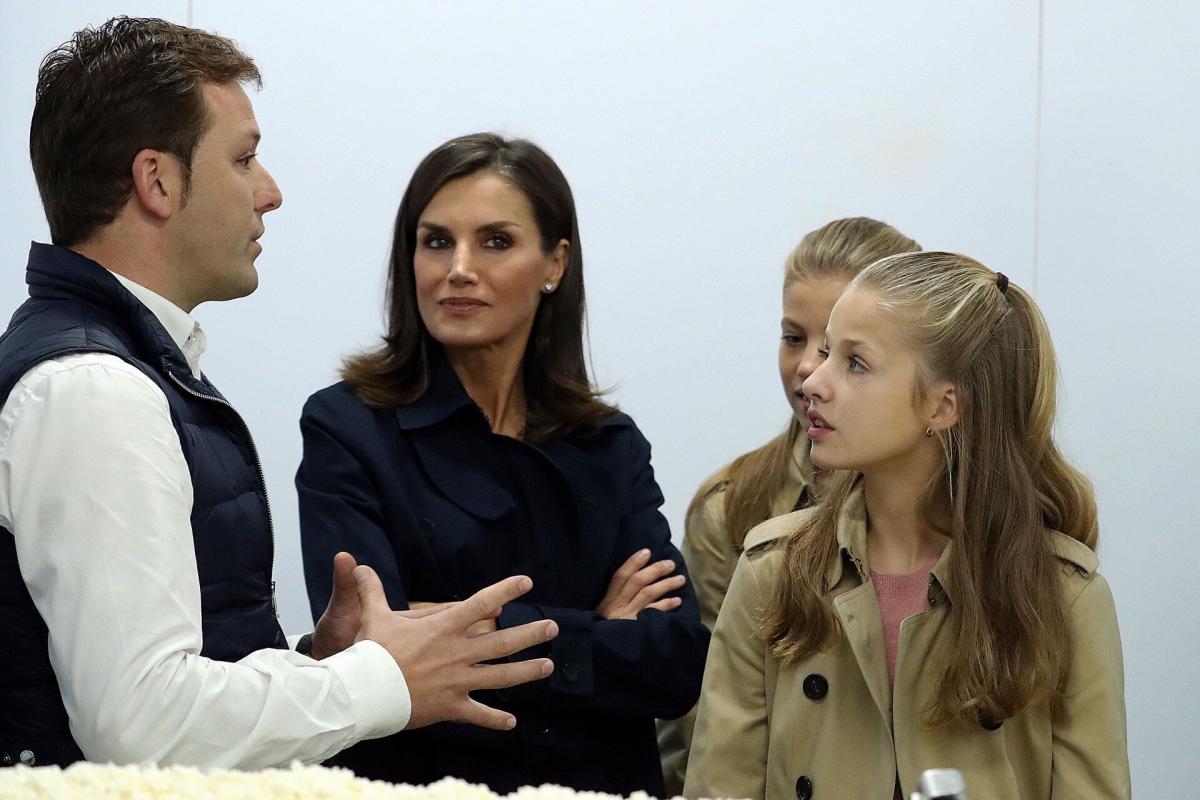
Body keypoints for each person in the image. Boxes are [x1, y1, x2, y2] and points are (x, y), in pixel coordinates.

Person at [0, 17, 557, 771]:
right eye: (244, 158)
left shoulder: (124, 371)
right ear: (157, 181)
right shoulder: (93, 391)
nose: (271, 193)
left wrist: (317, 664)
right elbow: (141, 722)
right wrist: (377, 680)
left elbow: (170, 687)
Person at [296, 133, 710, 796]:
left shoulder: (610, 444)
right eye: (436, 241)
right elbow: (378, 652)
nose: (459, 268)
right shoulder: (347, 427)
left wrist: (479, 627)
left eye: (495, 241)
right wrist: (596, 632)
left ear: (555, 263)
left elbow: (675, 665)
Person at [684, 253, 1129, 799]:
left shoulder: (1064, 597)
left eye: (855, 364)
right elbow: (719, 787)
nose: (813, 381)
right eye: (824, 352)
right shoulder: (772, 571)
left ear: (943, 406)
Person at [657, 217, 919, 794]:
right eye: (793, 338)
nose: (806, 367)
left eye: (841, 350)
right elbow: (701, 728)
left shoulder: (991, 515)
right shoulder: (733, 506)